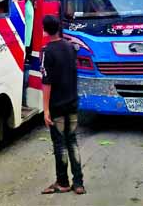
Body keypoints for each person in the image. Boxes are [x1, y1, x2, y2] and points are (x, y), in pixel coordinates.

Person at [40, 15, 85, 195]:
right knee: (72, 141)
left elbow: (46, 83)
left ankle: (63, 182)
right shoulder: (71, 47)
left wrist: (46, 110)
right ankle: (79, 182)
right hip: (72, 103)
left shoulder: (47, 52)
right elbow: (79, 51)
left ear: (44, 30)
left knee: (60, 144)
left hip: (57, 106)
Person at [23, 0, 42, 106]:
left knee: (27, 68)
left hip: (29, 42)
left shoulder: (30, 4)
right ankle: (23, 97)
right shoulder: (26, 5)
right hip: (25, 42)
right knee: (25, 68)